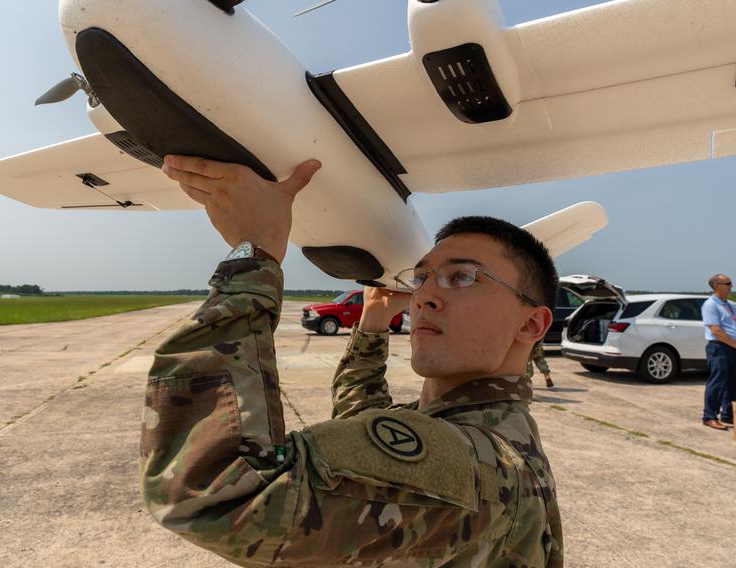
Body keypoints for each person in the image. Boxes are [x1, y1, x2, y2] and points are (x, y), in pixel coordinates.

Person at [140, 155, 563, 566]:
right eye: (421, 278)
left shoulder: (475, 463)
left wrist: (255, 253)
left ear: (531, 324)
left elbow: (216, 492)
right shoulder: (486, 429)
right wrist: (373, 325)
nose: (424, 296)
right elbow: (364, 430)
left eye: (463, 276)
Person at [700, 274, 736, 430]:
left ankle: (728, 414)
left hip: (732, 347)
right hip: (720, 347)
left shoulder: (730, 305)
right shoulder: (710, 305)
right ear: (717, 286)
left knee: (732, 383)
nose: (731, 285)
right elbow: (716, 330)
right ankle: (709, 416)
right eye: (728, 283)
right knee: (717, 382)